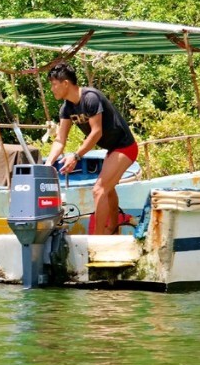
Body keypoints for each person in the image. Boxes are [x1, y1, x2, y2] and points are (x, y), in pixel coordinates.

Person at [42, 62, 138, 235]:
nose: (52, 89)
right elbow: (60, 140)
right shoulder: (66, 108)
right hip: (112, 149)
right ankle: (114, 229)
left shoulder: (90, 98)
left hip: (125, 146)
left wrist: (76, 156)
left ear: (65, 83)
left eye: (54, 84)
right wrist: (48, 163)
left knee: (99, 189)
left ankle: (98, 238)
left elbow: (96, 133)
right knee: (107, 189)